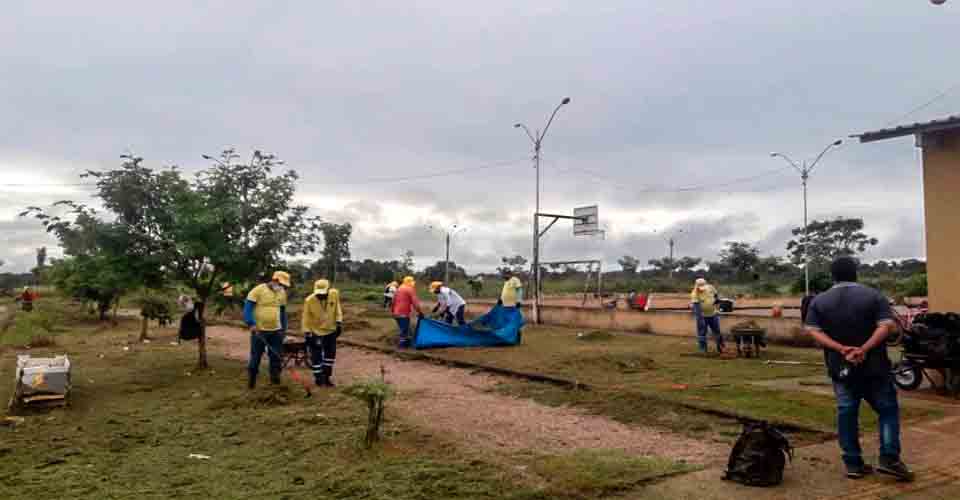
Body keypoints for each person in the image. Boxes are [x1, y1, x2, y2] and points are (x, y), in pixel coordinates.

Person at [805, 256, 913, 482]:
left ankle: (853, 463)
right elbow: (886, 326)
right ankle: (889, 459)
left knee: (847, 412)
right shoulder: (874, 296)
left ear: (832, 276)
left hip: (840, 368)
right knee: (887, 410)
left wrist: (842, 349)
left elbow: (813, 331)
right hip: (874, 368)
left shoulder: (819, 301)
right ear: (856, 273)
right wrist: (863, 349)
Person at [243, 271, 291, 389]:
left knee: (276, 357)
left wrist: (283, 329)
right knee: (256, 357)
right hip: (259, 331)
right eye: (281, 284)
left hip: (276, 331)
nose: (282, 287)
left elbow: (283, 312)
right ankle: (251, 382)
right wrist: (251, 323)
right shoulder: (258, 290)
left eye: (284, 286)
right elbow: (247, 308)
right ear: (274, 280)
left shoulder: (282, 293)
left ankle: (275, 383)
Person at [302, 279, 343, 387]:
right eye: (318, 294)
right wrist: (307, 333)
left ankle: (327, 377)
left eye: (323, 294)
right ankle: (318, 378)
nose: (321, 296)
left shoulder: (334, 294)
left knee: (330, 355)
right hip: (316, 332)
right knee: (316, 356)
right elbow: (305, 318)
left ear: (328, 290)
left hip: (331, 330)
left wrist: (339, 322)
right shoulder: (309, 300)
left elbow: (337, 308)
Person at [690, 278, 724, 353]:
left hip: (713, 314)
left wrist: (718, 305)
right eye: (700, 288)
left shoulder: (710, 287)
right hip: (702, 316)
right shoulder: (694, 294)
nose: (702, 289)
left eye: (703, 287)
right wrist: (700, 319)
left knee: (717, 331)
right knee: (702, 332)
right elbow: (697, 308)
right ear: (696, 286)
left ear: (705, 285)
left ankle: (721, 347)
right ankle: (703, 349)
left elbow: (716, 296)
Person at [391, 276, 422, 348]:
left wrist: (392, 311)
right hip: (403, 314)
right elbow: (415, 303)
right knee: (404, 331)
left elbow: (393, 302)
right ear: (410, 283)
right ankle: (401, 347)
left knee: (405, 329)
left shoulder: (398, 289)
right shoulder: (410, 289)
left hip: (396, 314)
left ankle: (407, 344)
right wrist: (420, 312)